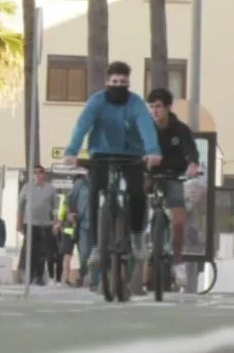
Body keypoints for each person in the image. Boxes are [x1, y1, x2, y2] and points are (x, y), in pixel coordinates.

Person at [63, 61, 161, 272]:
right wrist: (72, 151)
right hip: (101, 153)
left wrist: (153, 151)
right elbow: (83, 125)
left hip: (131, 154)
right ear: (107, 82)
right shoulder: (96, 102)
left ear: (128, 83)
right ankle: (97, 247)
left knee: (137, 193)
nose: (119, 85)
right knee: (94, 193)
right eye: (115, 81)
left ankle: (136, 238)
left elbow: (146, 127)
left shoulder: (136, 103)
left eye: (123, 82)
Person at [145, 87, 201, 286]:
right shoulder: (146, 127)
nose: (154, 110)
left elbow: (191, 151)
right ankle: (135, 247)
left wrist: (193, 165)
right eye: (151, 107)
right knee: (133, 200)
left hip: (173, 177)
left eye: (158, 106)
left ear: (168, 107)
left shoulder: (181, 129)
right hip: (149, 176)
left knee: (179, 220)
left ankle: (178, 261)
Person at [17, 165, 55, 286]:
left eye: (40, 172)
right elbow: (20, 206)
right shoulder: (27, 187)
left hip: (45, 224)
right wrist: (19, 222)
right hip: (30, 223)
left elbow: (55, 207)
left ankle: (39, 276)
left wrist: (56, 222)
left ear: (44, 174)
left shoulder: (50, 189)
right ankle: (29, 275)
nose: (37, 175)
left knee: (42, 251)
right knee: (30, 250)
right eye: (35, 172)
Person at [66, 172, 92, 286]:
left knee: (97, 253)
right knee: (85, 252)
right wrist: (71, 212)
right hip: (83, 224)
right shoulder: (81, 184)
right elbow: (70, 197)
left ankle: (94, 279)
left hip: (100, 224)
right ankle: (84, 276)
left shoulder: (103, 181)